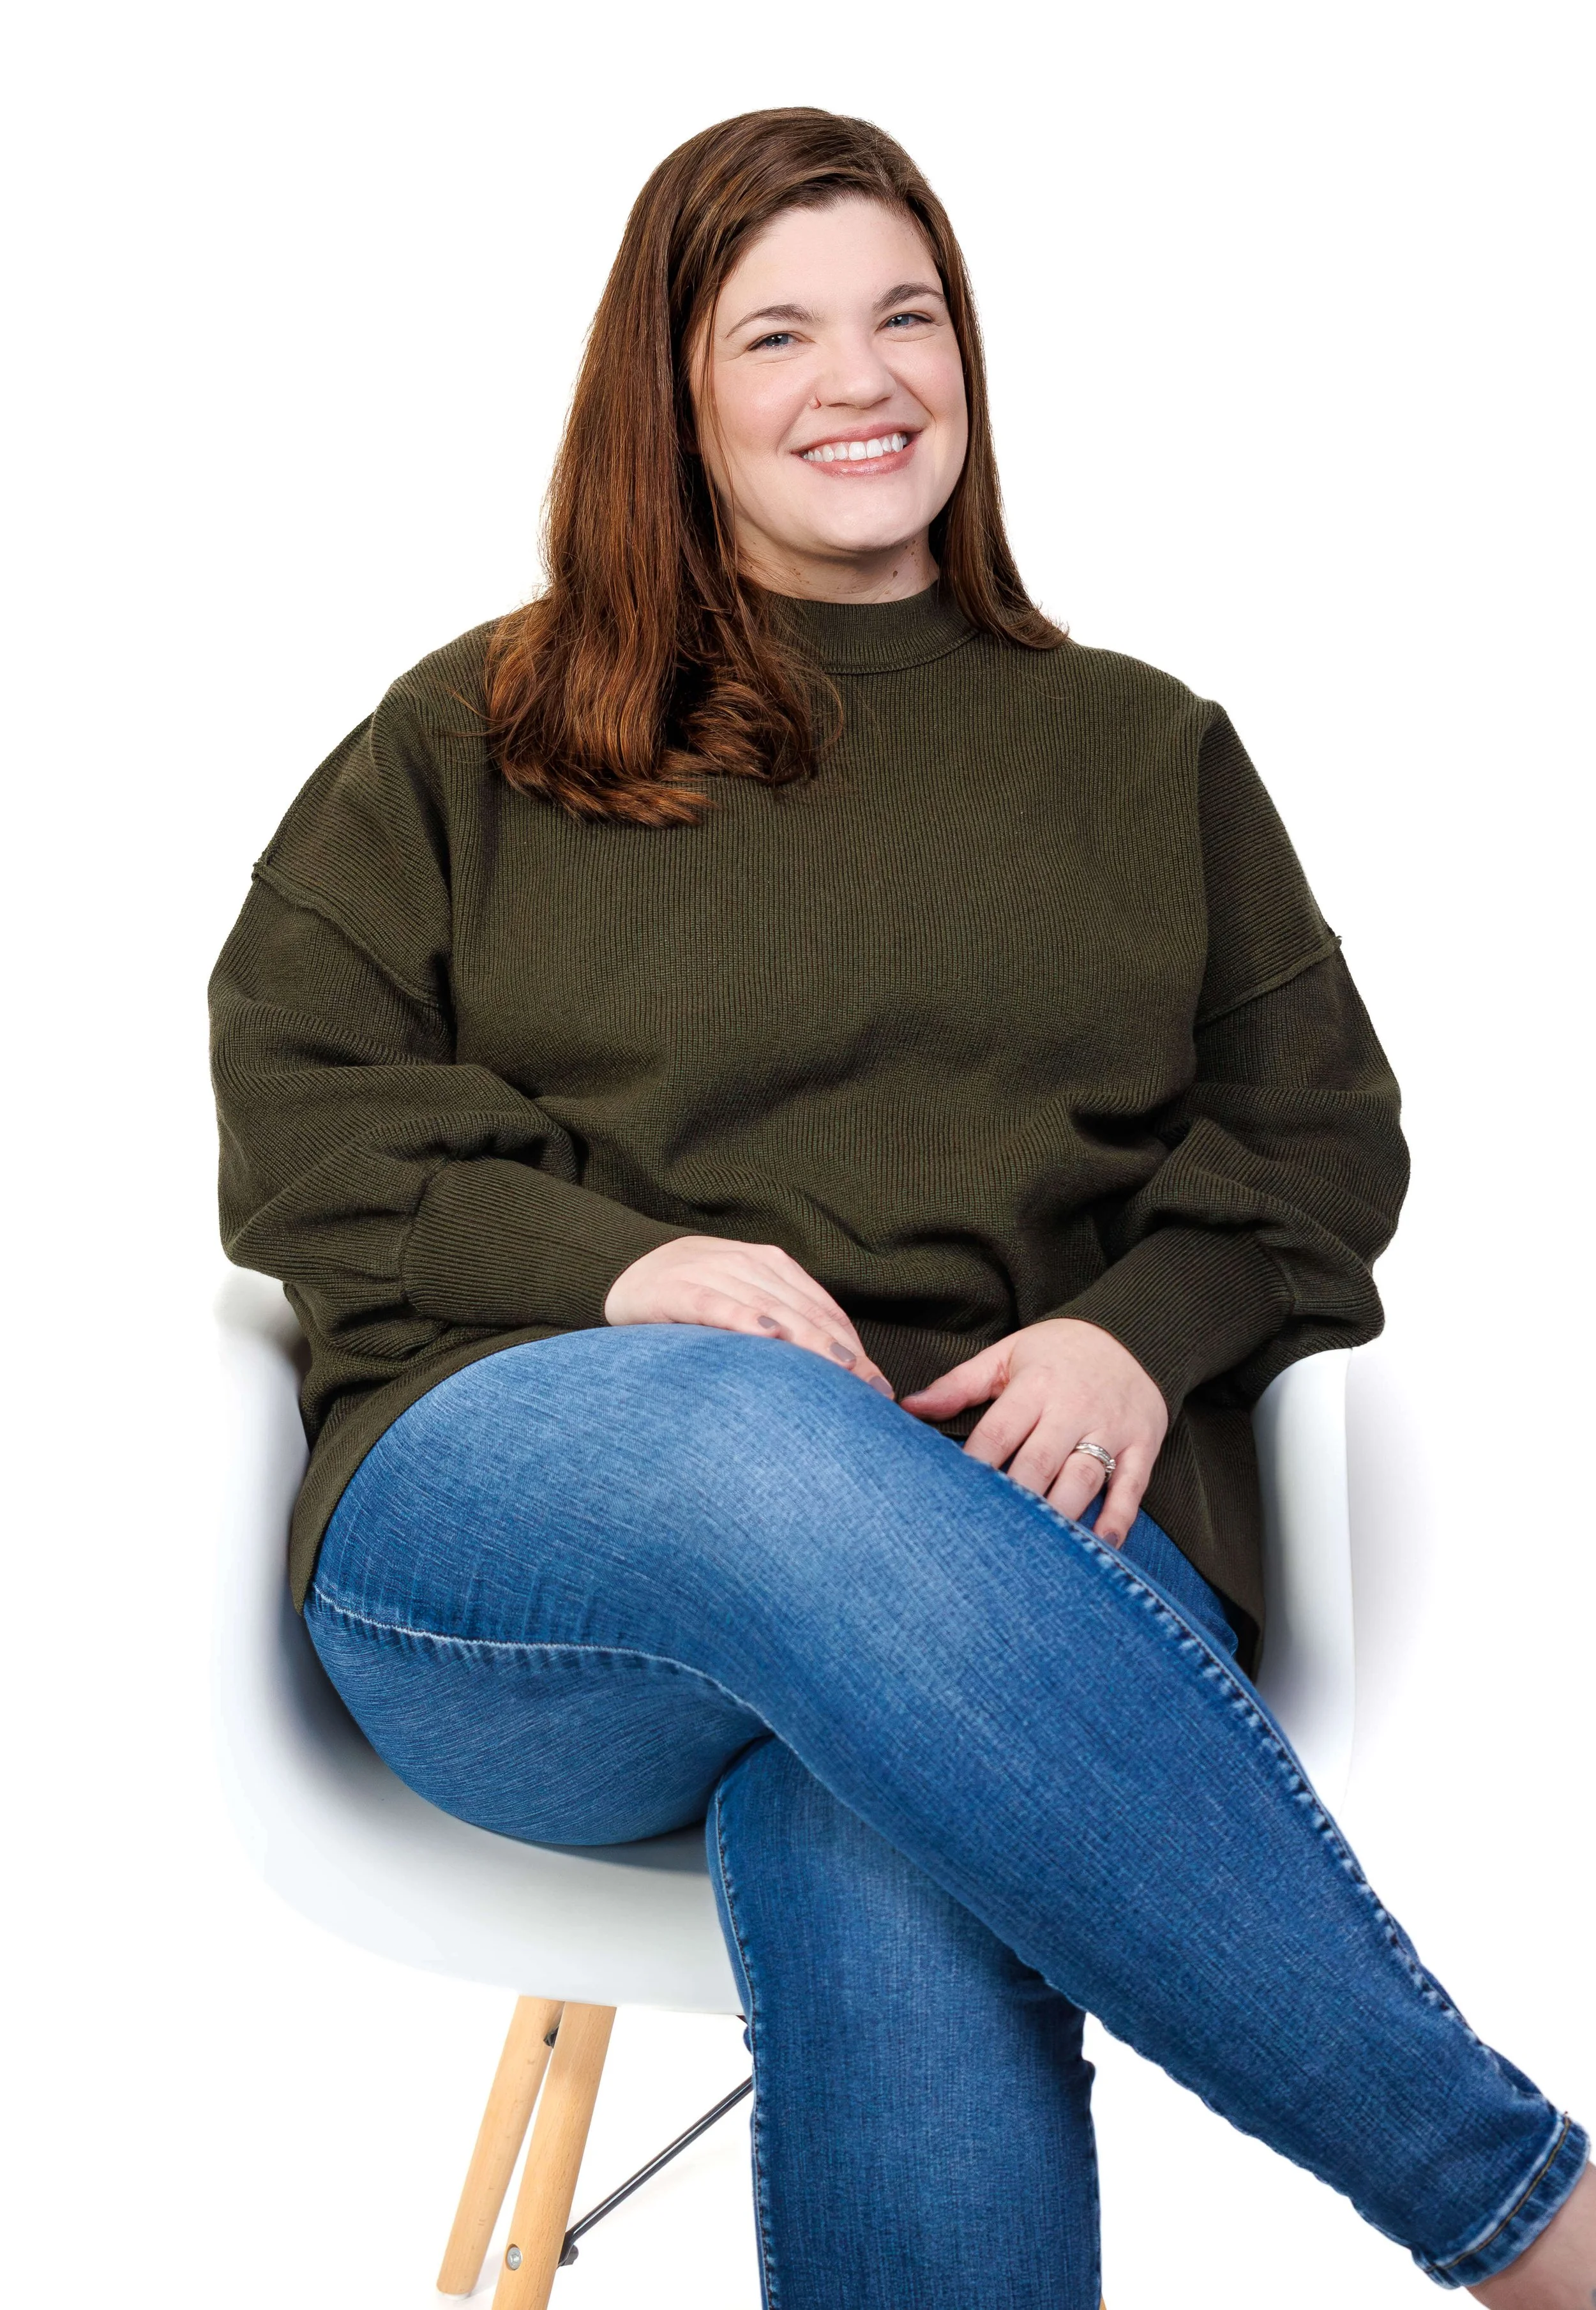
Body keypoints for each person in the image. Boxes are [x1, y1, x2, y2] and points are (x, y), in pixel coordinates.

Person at [208, 105, 1592, 2309]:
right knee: (756, 1431)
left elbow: (1320, 1129)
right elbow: (297, 1103)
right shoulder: (472, 733)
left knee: (886, 1821)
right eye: (777, 332)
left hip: (1010, 1550)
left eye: (904, 317)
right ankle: (1526, 2217)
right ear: (668, 396)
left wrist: (1139, 1329)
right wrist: (625, 1270)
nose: (858, 382)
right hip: (523, 1539)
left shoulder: (1140, 752)